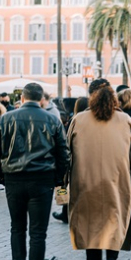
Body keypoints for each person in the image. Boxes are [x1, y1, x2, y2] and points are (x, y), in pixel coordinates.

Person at [0, 83, 69, 260]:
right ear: (40, 99)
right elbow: (63, 152)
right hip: (42, 180)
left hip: (14, 179)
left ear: (22, 98)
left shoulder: (6, 119)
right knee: (38, 233)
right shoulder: (52, 119)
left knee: (17, 228)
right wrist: (59, 178)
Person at [68, 79, 131, 260]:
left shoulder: (79, 119)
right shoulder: (125, 120)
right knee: (114, 223)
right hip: (117, 181)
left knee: (91, 226)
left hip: (86, 182)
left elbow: (68, 150)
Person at [52, 96, 89, 224]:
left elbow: (66, 142)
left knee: (69, 187)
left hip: (75, 161)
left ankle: (66, 213)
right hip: (87, 161)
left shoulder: (75, 121)